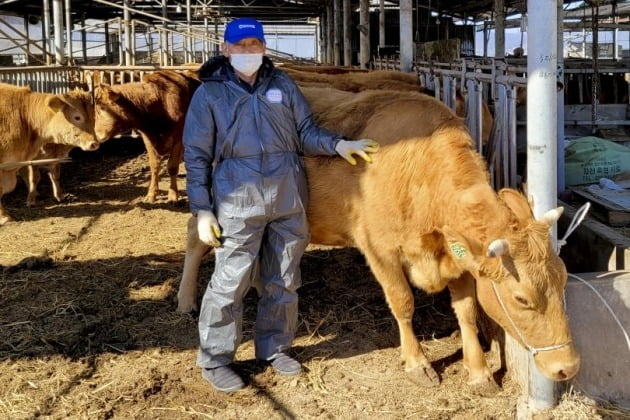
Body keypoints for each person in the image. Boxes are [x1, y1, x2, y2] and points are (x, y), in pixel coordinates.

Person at [183, 17, 379, 393]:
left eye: (254, 44)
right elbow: (195, 156)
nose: (247, 51)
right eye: (239, 46)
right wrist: (203, 209)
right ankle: (215, 358)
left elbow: (305, 132)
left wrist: (339, 144)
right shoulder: (209, 95)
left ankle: (275, 348)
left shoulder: (283, 84)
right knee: (230, 281)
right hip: (236, 199)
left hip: (288, 195)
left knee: (284, 279)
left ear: (264, 48)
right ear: (225, 49)